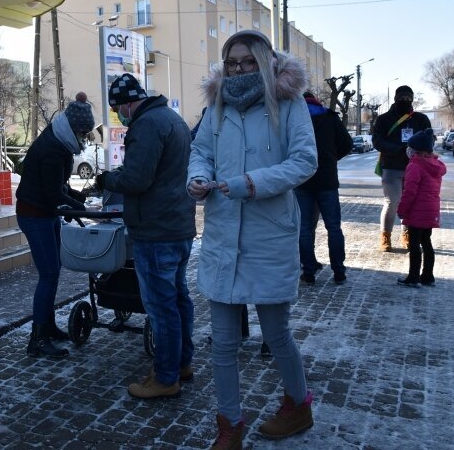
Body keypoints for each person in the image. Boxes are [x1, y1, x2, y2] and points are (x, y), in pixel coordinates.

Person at [187, 30, 318, 448]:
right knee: (222, 342)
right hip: (224, 232)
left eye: (246, 61)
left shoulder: (289, 103)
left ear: (263, 62)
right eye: (232, 62)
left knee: (276, 335)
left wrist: (251, 182)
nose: (239, 69)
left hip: (268, 236)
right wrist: (197, 176)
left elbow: (305, 161)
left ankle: (298, 405)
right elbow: (200, 150)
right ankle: (230, 425)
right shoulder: (217, 105)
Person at [94, 73, 196, 400]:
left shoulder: (147, 124)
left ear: (126, 103)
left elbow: (137, 179)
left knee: (161, 306)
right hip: (178, 225)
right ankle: (181, 363)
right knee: (178, 299)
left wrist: (107, 180)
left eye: (117, 110)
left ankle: (165, 377)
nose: (119, 116)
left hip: (155, 230)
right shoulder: (171, 118)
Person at [16, 100, 96, 358]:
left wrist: (77, 198)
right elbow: (52, 194)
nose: (85, 138)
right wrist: (78, 207)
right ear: (73, 128)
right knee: (49, 274)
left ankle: (47, 327)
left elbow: (57, 187)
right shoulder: (53, 149)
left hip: (44, 212)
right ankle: (37, 339)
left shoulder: (59, 140)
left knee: (52, 272)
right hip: (34, 215)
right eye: (84, 132)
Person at [296, 91, 354, 285]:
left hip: (302, 179)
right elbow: (347, 143)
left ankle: (309, 271)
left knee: (304, 228)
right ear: (316, 101)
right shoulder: (330, 117)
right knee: (333, 227)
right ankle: (339, 271)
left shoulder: (296, 119)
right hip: (327, 179)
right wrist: (330, 158)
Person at [372, 85, 432, 252]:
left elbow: (430, 139)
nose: (405, 101)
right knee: (392, 202)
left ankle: (407, 234)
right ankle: (385, 236)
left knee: (411, 203)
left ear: (412, 99)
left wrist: (420, 149)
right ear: (396, 99)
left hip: (415, 168)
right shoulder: (384, 119)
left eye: (408, 98)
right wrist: (397, 149)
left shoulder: (420, 119)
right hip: (391, 167)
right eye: (402, 98)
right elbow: (377, 141)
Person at [396, 128, 446, 287]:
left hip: (416, 212)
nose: (408, 150)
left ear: (415, 150)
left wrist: (402, 210)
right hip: (431, 210)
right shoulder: (435, 165)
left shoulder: (415, 166)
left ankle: (413, 277)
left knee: (414, 244)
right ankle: (428, 276)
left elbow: (409, 192)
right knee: (427, 242)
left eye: (410, 148)